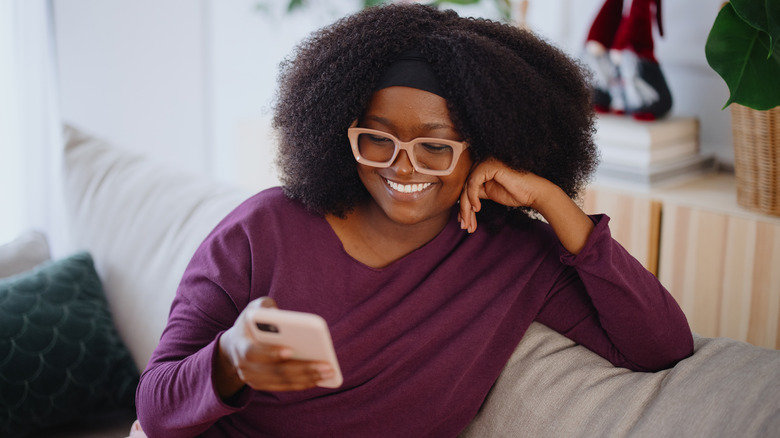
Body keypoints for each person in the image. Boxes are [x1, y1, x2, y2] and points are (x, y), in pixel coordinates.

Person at [134, 3, 693, 437]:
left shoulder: (516, 256)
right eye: (377, 139)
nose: (402, 166)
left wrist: (552, 203)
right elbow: (157, 408)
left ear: (485, 148)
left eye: (436, 147)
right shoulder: (262, 231)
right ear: (341, 132)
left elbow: (662, 345)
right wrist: (232, 358)